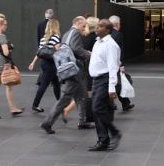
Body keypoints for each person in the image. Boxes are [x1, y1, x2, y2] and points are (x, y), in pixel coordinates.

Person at [40, 16, 90, 134]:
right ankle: (47, 122)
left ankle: (83, 121)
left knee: (82, 95)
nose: (84, 28)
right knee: (65, 99)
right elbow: (76, 49)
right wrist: (88, 54)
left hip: (68, 69)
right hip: (74, 71)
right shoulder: (76, 33)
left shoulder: (66, 34)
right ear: (77, 23)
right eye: (83, 26)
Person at [87, 19, 122, 151]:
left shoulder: (111, 45)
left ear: (107, 30)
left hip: (105, 80)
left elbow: (113, 66)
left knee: (96, 108)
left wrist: (112, 87)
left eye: (100, 26)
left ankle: (114, 133)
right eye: (97, 25)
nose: (97, 27)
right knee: (100, 110)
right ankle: (103, 140)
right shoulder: (97, 42)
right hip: (97, 80)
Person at [0, 16, 24, 119]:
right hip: (1, 64)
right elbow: (6, 52)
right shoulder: (1, 37)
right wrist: (10, 47)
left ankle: (13, 108)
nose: (6, 27)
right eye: (5, 25)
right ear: (0, 25)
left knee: (8, 85)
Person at [28, 18, 62, 113]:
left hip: (44, 63)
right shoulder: (55, 37)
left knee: (56, 83)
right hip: (51, 64)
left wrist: (33, 62)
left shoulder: (43, 38)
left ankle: (60, 103)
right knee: (44, 85)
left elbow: (39, 52)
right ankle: (35, 104)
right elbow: (58, 51)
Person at [109, 15, 134, 111]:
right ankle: (123, 103)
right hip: (116, 64)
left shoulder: (106, 34)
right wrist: (122, 65)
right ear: (117, 24)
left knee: (114, 83)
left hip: (108, 64)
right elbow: (120, 51)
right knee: (118, 84)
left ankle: (124, 103)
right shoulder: (118, 35)